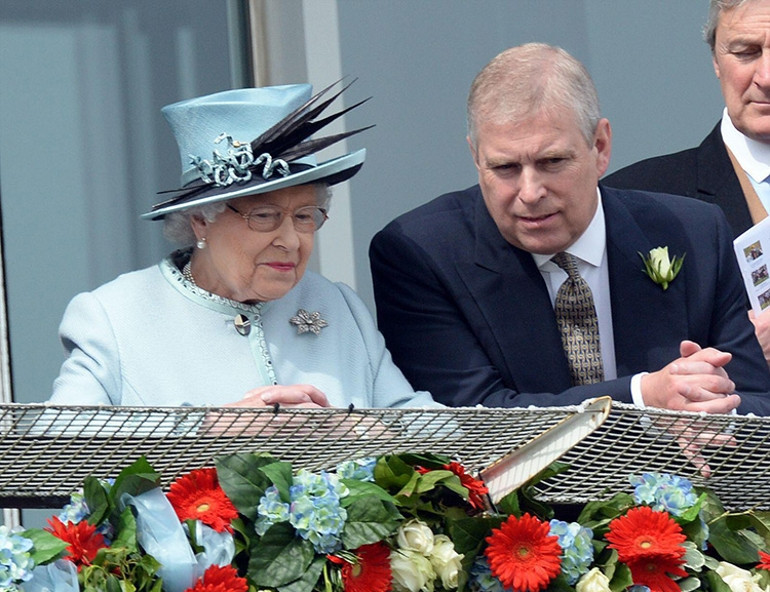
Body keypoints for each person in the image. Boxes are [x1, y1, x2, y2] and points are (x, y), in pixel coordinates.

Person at [369, 43, 770, 416]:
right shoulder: (420, 253)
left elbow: (757, 399)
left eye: (552, 162)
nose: (529, 192)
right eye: (504, 168)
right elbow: (472, 419)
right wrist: (643, 398)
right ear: (476, 156)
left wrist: (710, 414)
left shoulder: (695, 232)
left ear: (600, 147)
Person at [48, 82, 436, 410]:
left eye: (305, 216)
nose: (289, 240)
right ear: (201, 219)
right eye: (265, 216)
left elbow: (423, 429)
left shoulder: (338, 306)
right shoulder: (114, 316)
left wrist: (346, 433)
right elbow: (58, 449)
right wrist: (211, 430)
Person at [604, 0, 770, 366]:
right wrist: (741, 351)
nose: (766, 76)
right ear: (715, 58)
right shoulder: (634, 202)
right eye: (746, 52)